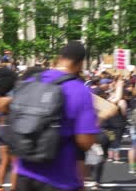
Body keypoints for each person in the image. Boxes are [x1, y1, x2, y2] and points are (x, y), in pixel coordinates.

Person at [15, 41, 99, 191]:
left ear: (59, 57)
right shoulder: (81, 91)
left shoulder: (30, 81)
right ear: (80, 64)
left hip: (24, 172)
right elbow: (85, 142)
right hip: (59, 178)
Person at [0, 67, 18, 191]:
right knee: (15, 164)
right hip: (9, 130)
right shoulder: (8, 100)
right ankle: (13, 188)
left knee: (3, 161)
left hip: (0, 129)